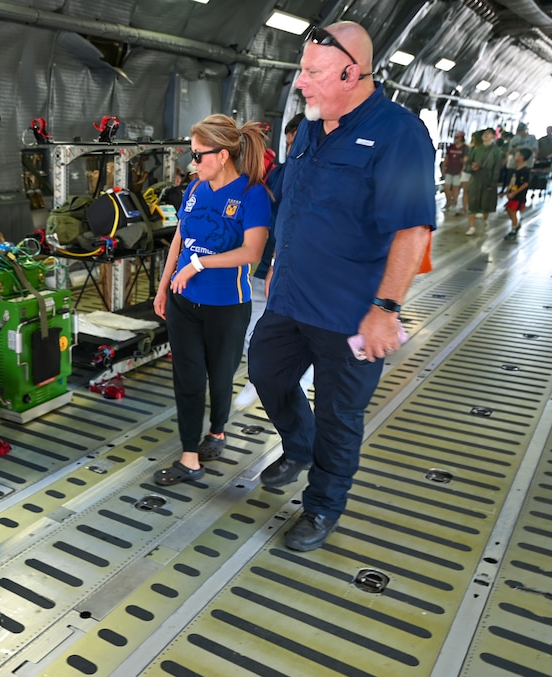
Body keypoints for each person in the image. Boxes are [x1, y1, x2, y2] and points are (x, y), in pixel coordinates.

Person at [248, 22, 435, 552]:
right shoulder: (311, 124)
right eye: (302, 70)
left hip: (350, 311)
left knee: (339, 412)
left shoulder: (398, 133)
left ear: (352, 73)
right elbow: (290, 188)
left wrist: (386, 308)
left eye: (312, 72)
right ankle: (298, 444)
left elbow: (412, 228)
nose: (300, 82)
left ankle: (324, 504)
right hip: (289, 298)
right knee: (265, 370)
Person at [150, 115, 271, 486]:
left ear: (222, 155)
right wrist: (164, 282)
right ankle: (189, 458)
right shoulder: (194, 189)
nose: (193, 162)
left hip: (227, 306)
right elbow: (180, 238)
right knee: (187, 378)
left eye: (199, 155)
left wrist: (199, 264)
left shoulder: (253, 195)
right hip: (183, 301)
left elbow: (252, 251)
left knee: (219, 377)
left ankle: (217, 431)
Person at [234, 113, 312, 409]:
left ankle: (299, 389)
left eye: (298, 144)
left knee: (302, 334)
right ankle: (260, 377)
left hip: (300, 270)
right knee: (255, 329)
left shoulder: (320, 178)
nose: (293, 152)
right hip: (265, 266)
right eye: (289, 145)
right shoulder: (280, 173)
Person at [466, 129, 503, 236]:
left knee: (485, 202)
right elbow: (468, 164)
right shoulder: (476, 149)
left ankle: (485, 219)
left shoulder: (496, 151)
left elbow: (496, 168)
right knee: (472, 200)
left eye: (488, 134)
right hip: (475, 178)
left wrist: (493, 182)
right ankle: (472, 226)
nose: (485, 135)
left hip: (488, 178)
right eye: (484, 134)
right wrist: (472, 168)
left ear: (493, 136)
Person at [502, 147, 531, 240]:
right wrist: (507, 191)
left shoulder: (525, 170)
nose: (515, 156)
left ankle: (513, 230)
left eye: (518, 154)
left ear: (522, 157)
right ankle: (516, 224)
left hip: (518, 196)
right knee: (509, 211)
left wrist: (514, 193)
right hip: (512, 193)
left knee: (513, 212)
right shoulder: (516, 168)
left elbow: (525, 184)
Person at [441, 131, 467, 214]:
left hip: (458, 171)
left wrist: (462, 171)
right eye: (455, 137)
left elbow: (465, 161)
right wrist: (443, 168)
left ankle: (454, 202)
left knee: (456, 188)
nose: (456, 139)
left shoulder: (464, 148)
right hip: (449, 169)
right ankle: (448, 201)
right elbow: (447, 158)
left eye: (457, 138)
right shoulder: (451, 147)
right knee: (446, 187)